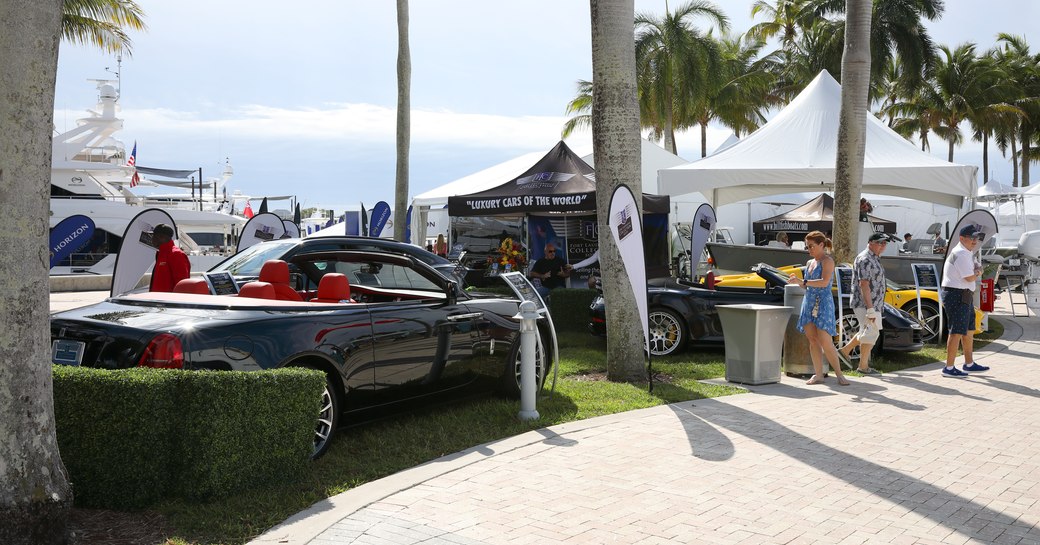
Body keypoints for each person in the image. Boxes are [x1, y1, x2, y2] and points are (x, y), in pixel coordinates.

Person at [787, 231, 850, 386]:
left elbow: (824, 282)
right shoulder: (810, 263)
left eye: (812, 246)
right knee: (812, 340)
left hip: (823, 302)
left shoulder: (827, 261)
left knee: (825, 341)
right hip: (809, 301)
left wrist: (804, 282)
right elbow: (806, 284)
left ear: (821, 245)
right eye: (807, 247)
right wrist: (797, 281)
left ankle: (839, 374)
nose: (809, 249)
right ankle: (818, 374)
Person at [939, 225, 990, 377]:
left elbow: (976, 266)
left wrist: (977, 270)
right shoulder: (961, 253)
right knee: (956, 331)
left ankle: (969, 363)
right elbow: (970, 276)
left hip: (964, 294)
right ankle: (948, 368)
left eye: (976, 238)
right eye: (972, 237)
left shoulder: (967, 252)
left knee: (968, 330)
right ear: (962, 238)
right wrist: (978, 272)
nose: (975, 241)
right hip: (957, 294)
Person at [837, 232, 888, 375]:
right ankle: (862, 366)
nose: (883, 246)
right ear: (870, 242)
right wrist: (870, 308)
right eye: (880, 243)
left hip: (874, 303)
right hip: (865, 304)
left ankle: (846, 352)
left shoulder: (875, 257)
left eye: (885, 243)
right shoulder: (865, 259)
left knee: (868, 331)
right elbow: (864, 284)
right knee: (872, 332)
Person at [148, 223, 190, 292]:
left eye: (153, 236)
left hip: (168, 301)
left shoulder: (176, 254)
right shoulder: (161, 253)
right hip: (159, 300)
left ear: (161, 237)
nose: (151, 239)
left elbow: (182, 283)